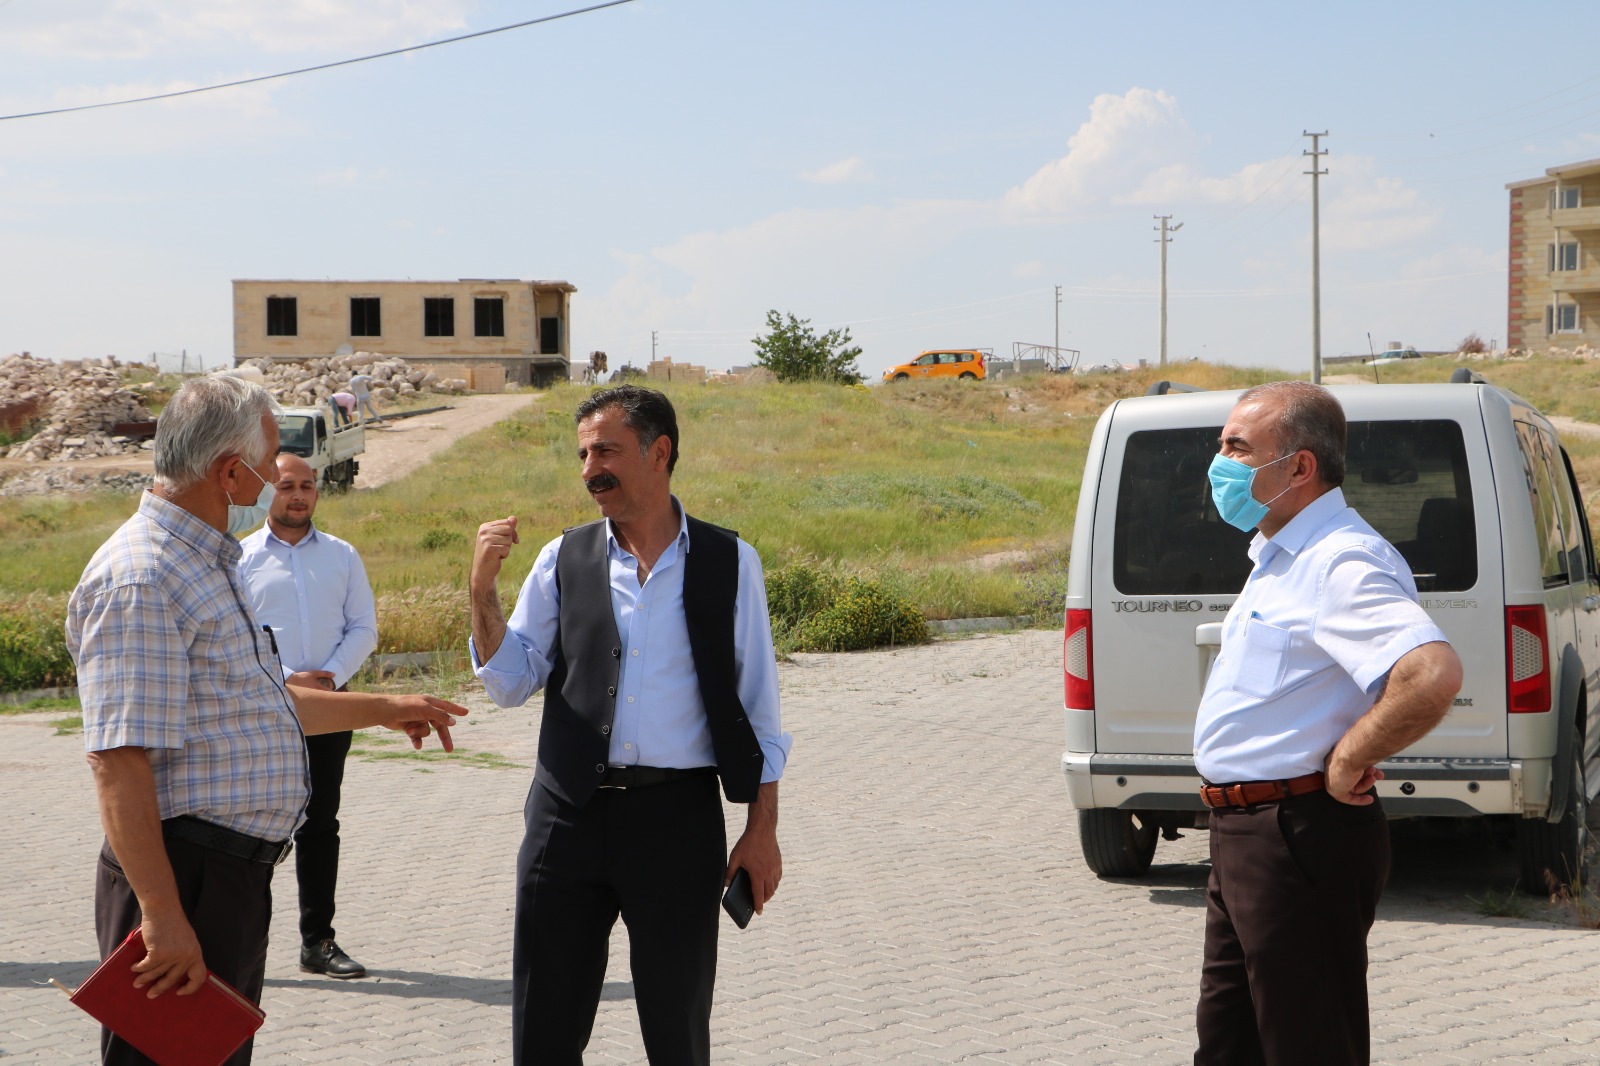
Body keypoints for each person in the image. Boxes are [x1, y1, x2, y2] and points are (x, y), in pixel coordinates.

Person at [65, 374, 463, 1066]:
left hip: (225, 881)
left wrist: (387, 708)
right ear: (229, 473)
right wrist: (162, 915)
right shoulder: (143, 577)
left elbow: (260, 704)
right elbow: (117, 759)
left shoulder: (208, 562)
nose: (277, 480)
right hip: (182, 879)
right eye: (267, 463)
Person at [469, 384, 791, 1066]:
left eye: (606, 451)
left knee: (678, 1038)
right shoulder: (561, 558)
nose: (590, 469)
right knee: (544, 1034)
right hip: (566, 822)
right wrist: (481, 593)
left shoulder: (731, 562)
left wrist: (761, 830)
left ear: (659, 451)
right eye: (584, 455)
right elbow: (508, 683)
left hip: (677, 825)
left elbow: (760, 711)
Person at [1191, 381, 1463, 1066]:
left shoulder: (1340, 560)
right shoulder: (1283, 557)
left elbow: (1430, 673)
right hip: (1246, 834)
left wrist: (1349, 757)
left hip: (1296, 836)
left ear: (1300, 467)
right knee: (1229, 1047)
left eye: (1237, 448)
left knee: (1307, 1049)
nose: (1220, 463)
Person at [239, 453, 379, 979]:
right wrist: (287, 679)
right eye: (286, 486)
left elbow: (363, 628)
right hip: (262, 711)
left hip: (328, 710)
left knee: (320, 824)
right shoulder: (239, 559)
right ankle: (238, 942)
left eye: (307, 486)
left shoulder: (342, 555)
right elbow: (238, 638)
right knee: (251, 827)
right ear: (266, 492)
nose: (298, 495)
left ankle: (317, 941)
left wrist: (329, 679)